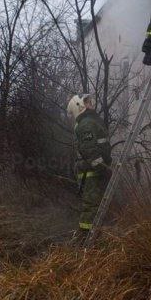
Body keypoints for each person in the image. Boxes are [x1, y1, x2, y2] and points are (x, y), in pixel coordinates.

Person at [66, 94, 111, 237]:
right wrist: (104, 168)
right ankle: (86, 239)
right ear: (80, 106)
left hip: (94, 172)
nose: (90, 103)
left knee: (94, 207)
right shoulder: (86, 124)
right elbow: (90, 151)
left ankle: (93, 238)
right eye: (86, 102)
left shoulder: (90, 121)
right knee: (91, 207)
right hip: (92, 173)